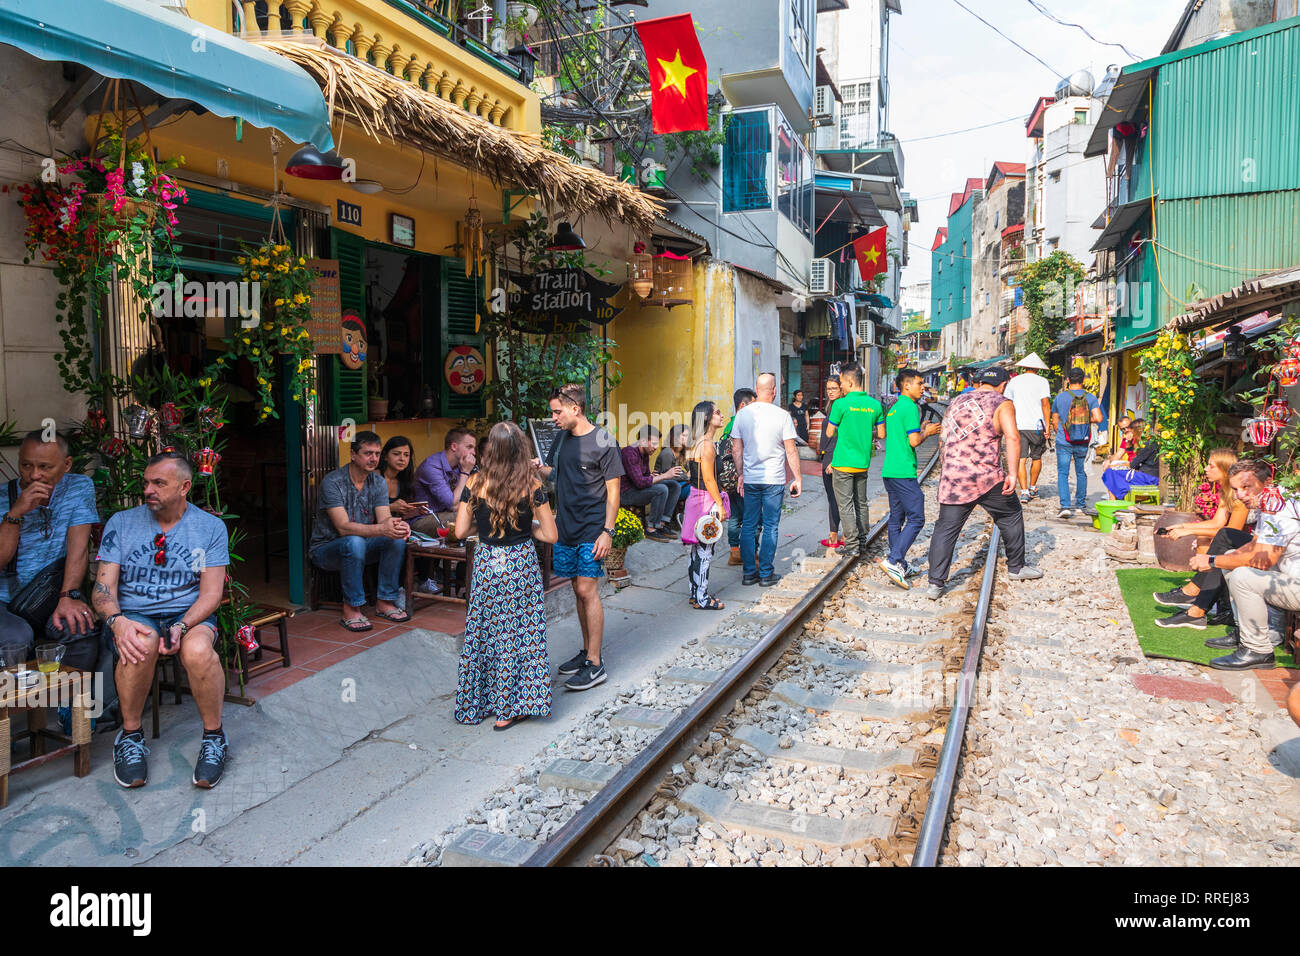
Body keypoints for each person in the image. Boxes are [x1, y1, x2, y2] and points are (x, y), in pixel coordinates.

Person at [92, 452, 231, 789]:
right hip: (136, 613)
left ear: (185, 487)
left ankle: (214, 738)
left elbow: (211, 594)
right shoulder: (122, 523)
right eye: (146, 483)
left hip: (189, 613)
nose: (148, 490)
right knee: (140, 642)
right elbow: (101, 588)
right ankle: (130, 736)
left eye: (159, 483)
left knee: (198, 652)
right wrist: (117, 621)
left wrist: (182, 625)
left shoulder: (210, 527)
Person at [454, 421, 558, 730]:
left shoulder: (474, 483)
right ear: (521, 450)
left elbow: (460, 531)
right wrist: (528, 528)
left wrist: (485, 529)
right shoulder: (532, 485)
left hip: (487, 564)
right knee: (520, 634)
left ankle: (479, 702)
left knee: (484, 633)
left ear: (491, 450)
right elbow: (550, 535)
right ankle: (509, 708)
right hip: (521, 565)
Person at [925, 366, 1043, 599]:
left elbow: (943, 438)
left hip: (954, 478)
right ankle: (1017, 567)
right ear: (1003, 385)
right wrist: (1011, 474)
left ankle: (935, 584)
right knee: (1010, 515)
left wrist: (947, 469)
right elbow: (1012, 437)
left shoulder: (957, 401)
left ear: (979, 383)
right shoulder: (1002, 402)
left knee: (946, 528)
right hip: (986, 478)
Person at [535, 383, 623, 691]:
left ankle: (596, 664)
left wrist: (607, 532)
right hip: (565, 527)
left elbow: (614, 491)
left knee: (587, 590)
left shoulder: (603, 440)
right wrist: (539, 469)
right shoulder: (560, 438)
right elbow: (557, 474)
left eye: (557, 412)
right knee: (576, 589)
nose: (553, 418)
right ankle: (587, 653)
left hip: (592, 527)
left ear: (575, 408)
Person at [0, 430, 99, 656]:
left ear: (66, 465)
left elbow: (79, 548)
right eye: (26, 466)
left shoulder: (78, 488)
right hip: (4, 599)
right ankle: (20, 693)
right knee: (15, 637)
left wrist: (68, 597)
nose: (34, 475)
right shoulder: (3, 497)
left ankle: (69, 692)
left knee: (79, 628)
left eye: (45, 467)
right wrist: (16, 513)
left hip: (51, 594)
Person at [309, 431, 411, 632]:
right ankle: (352, 608)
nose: (373, 459)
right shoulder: (333, 482)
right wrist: (383, 528)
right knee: (354, 541)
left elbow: (384, 520)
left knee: (395, 539)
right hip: (327, 549)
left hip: (363, 545)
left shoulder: (378, 482)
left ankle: (385, 602)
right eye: (367, 453)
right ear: (353, 455)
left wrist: (397, 526)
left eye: (377, 453)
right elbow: (343, 527)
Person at [1207, 461, 1299, 669]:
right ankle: (1249, 631)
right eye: (1236, 489)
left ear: (1268, 482)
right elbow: (1255, 544)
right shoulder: (1271, 501)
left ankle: (1258, 649)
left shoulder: (1281, 507)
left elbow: (1264, 560)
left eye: (1246, 487)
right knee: (1231, 558)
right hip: (1289, 579)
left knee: (1243, 577)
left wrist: (1212, 560)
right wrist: (1223, 559)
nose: (1240, 495)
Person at [1153, 448, 1247, 629]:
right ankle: (1196, 597)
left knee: (1216, 538)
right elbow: (1217, 522)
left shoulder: (1240, 494)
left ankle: (1194, 592)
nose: (1205, 469)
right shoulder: (1226, 490)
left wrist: (1187, 531)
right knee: (1203, 535)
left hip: (1249, 544)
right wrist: (1182, 527)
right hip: (1234, 540)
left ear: (1224, 469)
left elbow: (1229, 532)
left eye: (1211, 466)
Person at [731, 372, 802, 586]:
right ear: (774, 391)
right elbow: (791, 450)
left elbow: (736, 449)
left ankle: (749, 573)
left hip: (751, 479)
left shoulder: (742, 415)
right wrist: (798, 478)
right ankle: (766, 574)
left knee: (748, 524)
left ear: (756, 389)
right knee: (771, 525)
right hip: (774, 480)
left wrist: (741, 473)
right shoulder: (782, 416)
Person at [879, 369, 942, 587]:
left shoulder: (895, 408)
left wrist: (921, 429)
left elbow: (903, 436)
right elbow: (914, 441)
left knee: (897, 518)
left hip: (890, 471)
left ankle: (901, 563)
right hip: (904, 471)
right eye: (919, 383)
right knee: (917, 517)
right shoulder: (910, 407)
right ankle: (894, 560)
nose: (922, 387)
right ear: (907, 386)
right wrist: (929, 432)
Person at [824, 362, 884, 561]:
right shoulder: (875, 405)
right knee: (861, 502)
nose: (840, 386)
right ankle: (862, 540)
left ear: (849, 382)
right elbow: (882, 434)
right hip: (863, 462)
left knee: (846, 505)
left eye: (841, 382)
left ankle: (851, 546)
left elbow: (829, 432)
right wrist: (864, 431)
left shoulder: (840, 404)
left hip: (842, 462)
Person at [680, 401, 730, 610]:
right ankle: (702, 598)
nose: (721, 415)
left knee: (697, 550)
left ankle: (695, 593)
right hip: (706, 501)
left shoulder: (698, 441)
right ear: (708, 418)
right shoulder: (707, 445)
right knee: (705, 551)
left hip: (696, 498)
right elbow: (709, 479)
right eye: (717, 412)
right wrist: (720, 505)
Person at [1050, 366, 1102, 518]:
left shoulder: (1060, 398)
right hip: (1082, 440)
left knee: (1063, 473)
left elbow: (1054, 420)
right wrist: (1085, 421)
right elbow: (1098, 418)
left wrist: (1060, 430)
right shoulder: (1090, 397)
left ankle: (1065, 506)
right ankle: (1080, 505)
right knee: (1081, 472)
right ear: (1084, 380)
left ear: (1068, 380)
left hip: (1063, 440)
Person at [619, 425, 683, 542]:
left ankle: (662, 524)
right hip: (626, 493)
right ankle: (651, 528)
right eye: (653, 443)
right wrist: (665, 475)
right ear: (643, 441)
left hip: (638, 489)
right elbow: (639, 483)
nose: (656, 447)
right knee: (661, 489)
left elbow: (645, 477)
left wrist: (652, 476)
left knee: (674, 485)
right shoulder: (629, 453)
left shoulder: (645, 453)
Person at [1004, 353, 1052, 503]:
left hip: (1018, 425)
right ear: (1038, 369)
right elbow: (1045, 404)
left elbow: (1008, 403)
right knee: (1036, 457)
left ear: (1024, 367)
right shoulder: (1043, 382)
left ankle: (1024, 492)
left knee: (1020, 459)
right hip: (1037, 426)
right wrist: (1048, 426)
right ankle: (1032, 487)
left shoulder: (1014, 381)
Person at [412, 428, 477, 526]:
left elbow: (476, 498)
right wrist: (465, 473)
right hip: (424, 519)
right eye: (469, 447)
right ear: (454, 446)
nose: (473, 453)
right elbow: (453, 505)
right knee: (474, 515)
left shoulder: (462, 465)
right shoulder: (431, 467)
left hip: (447, 515)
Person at [722, 388, 756, 566]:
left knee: (735, 515)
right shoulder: (742, 424)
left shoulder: (730, 424)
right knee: (750, 516)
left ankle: (734, 551)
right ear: (742, 405)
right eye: (752, 405)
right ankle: (748, 552)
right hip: (740, 475)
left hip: (728, 477)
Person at [1101, 419, 1161, 500]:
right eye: (1123, 429)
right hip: (1142, 473)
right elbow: (1119, 454)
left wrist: (1117, 465)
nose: (1127, 431)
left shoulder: (1147, 444)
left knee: (1110, 473)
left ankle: (1113, 501)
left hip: (1148, 477)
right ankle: (1114, 499)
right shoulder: (1143, 442)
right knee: (1111, 472)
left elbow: (1133, 464)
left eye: (1129, 429)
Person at [820, 375, 843, 548]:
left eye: (834, 388)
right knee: (832, 498)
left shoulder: (841, 408)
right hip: (827, 455)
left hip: (834, 458)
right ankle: (833, 534)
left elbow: (841, 437)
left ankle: (834, 537)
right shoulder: (831, 407)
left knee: (836, 498)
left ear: (842, 389)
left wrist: (833, 461)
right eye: (828, 388)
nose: (830, 391)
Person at [655, 424, 692, 527]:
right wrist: (686, 476)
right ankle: (686, 518)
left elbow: (689, 471)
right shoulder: (667, 452)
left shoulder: (681, 453)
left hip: (678, 486)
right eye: (684, 435)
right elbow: (667, 477)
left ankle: (689, 517)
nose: (687, 438)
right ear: (675, 437)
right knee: (693, 489)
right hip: (667, 489)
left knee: (697, 486)